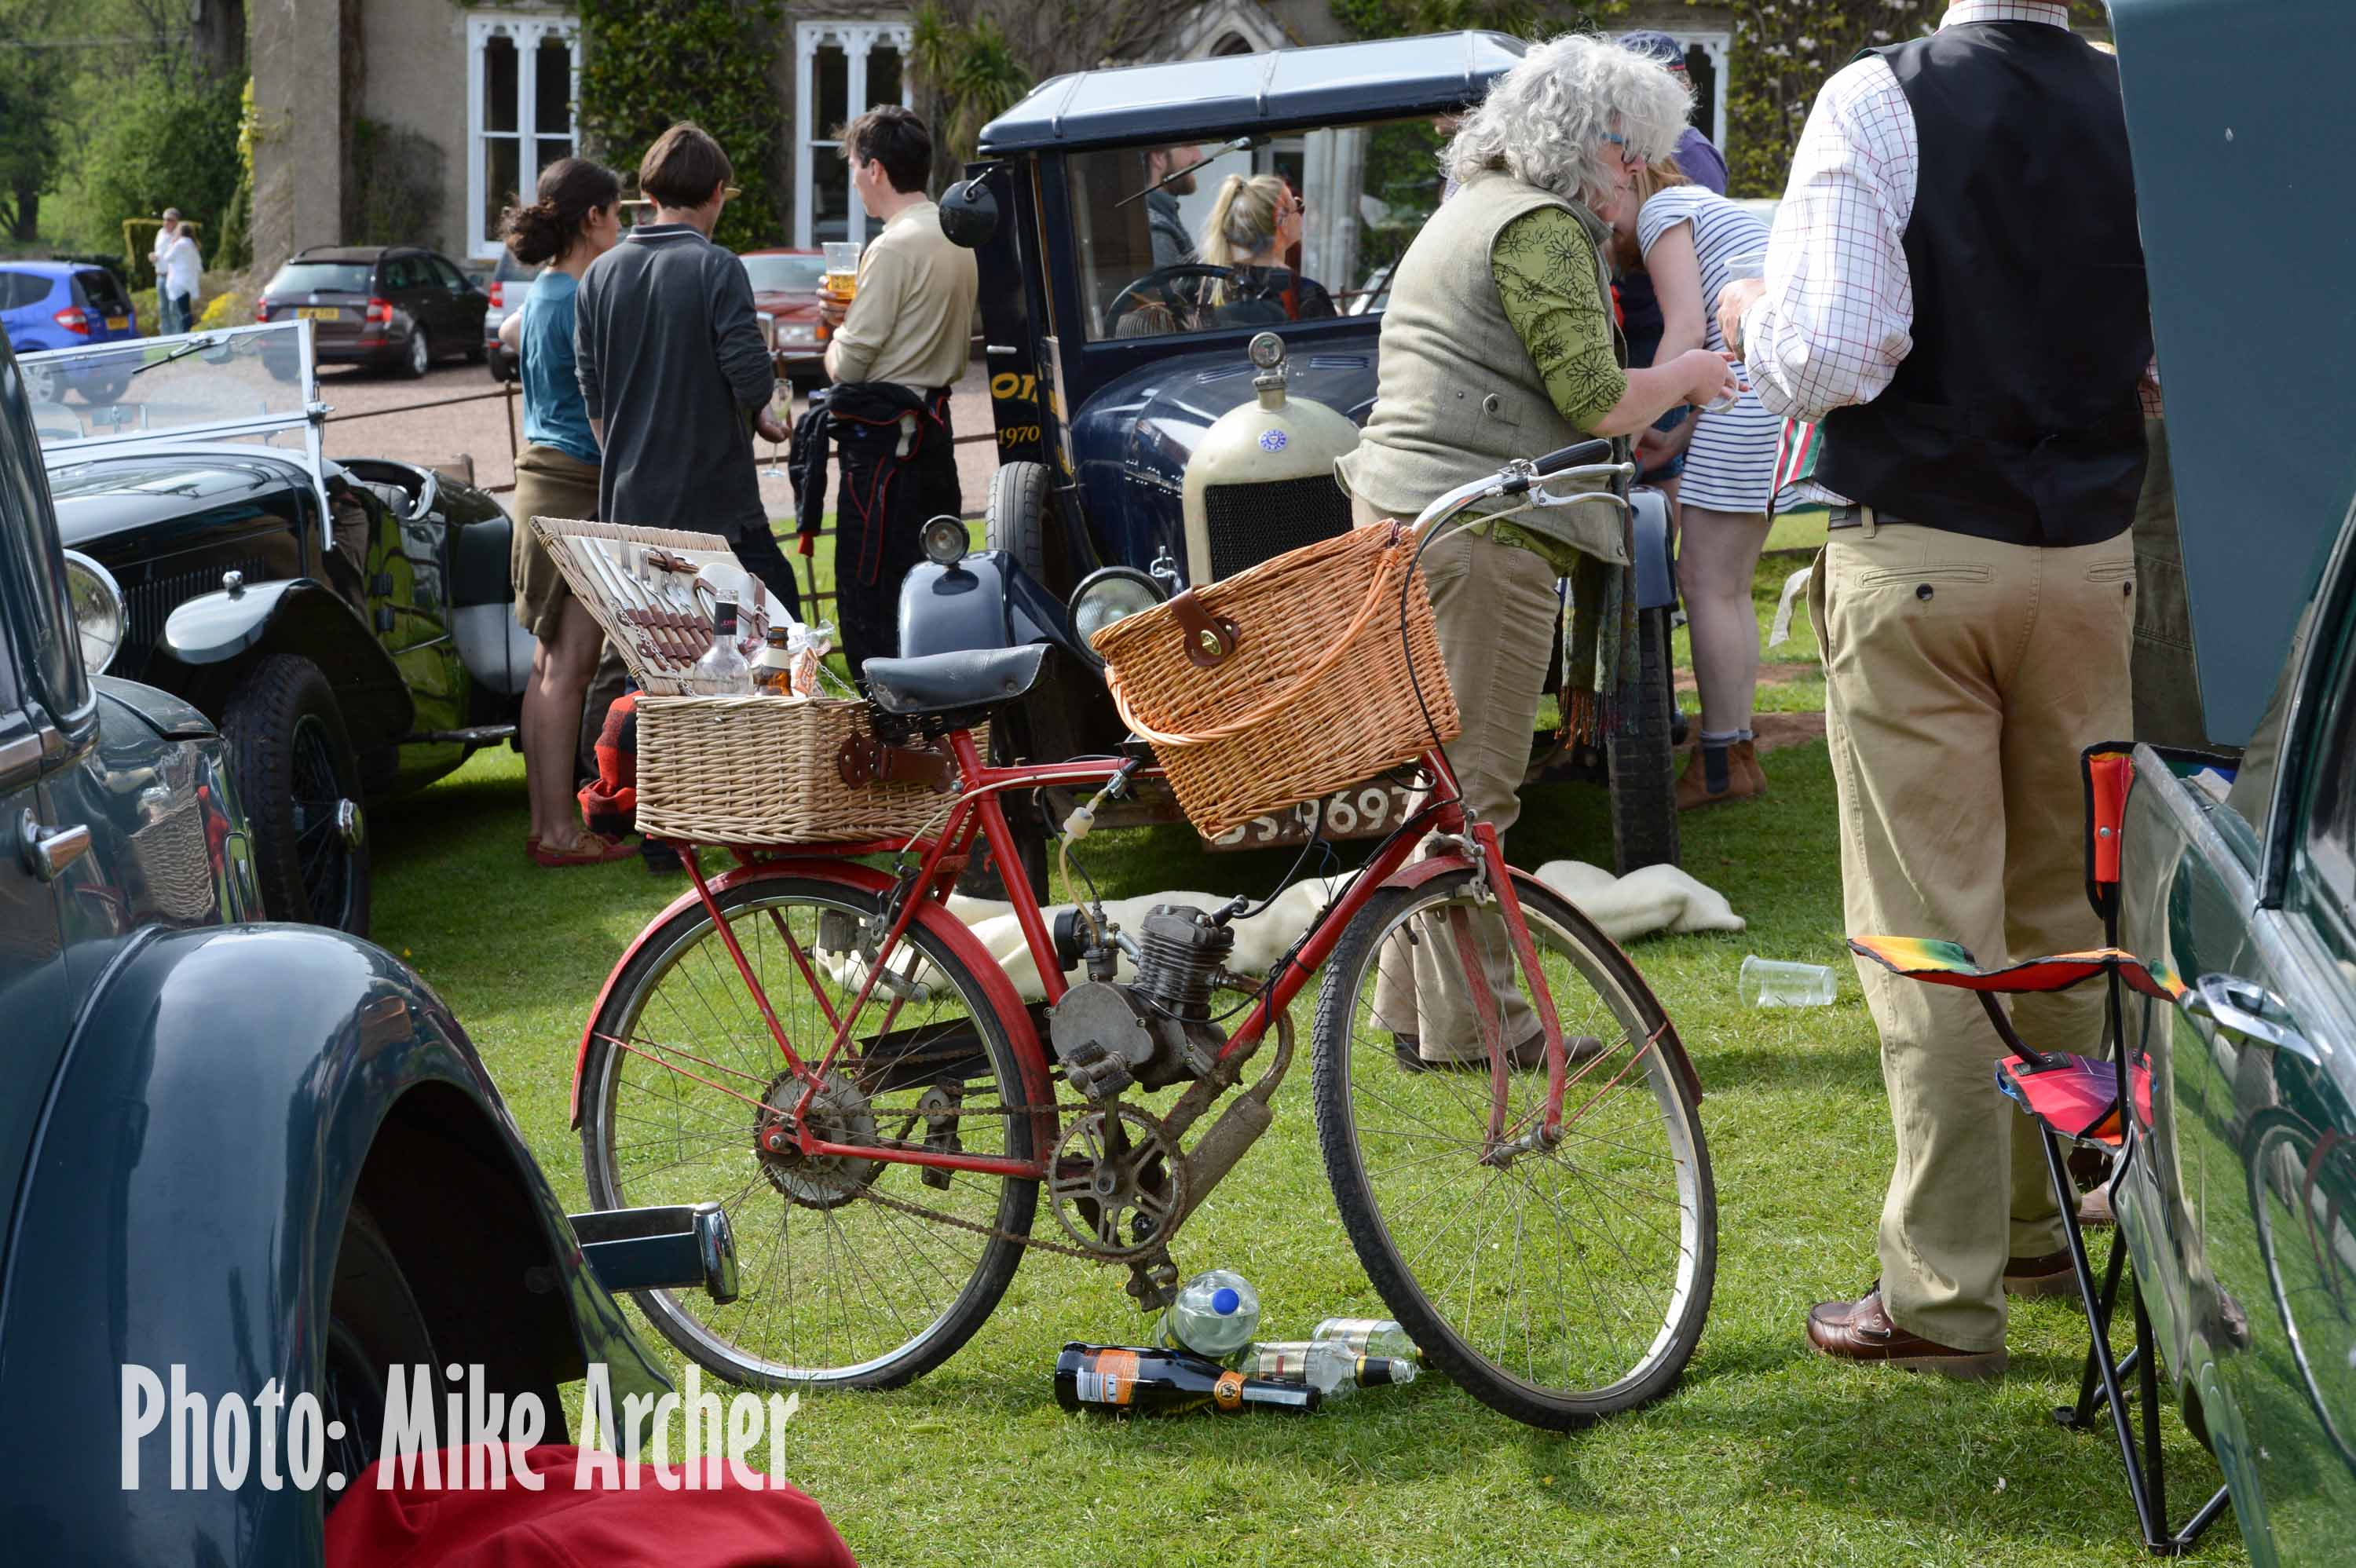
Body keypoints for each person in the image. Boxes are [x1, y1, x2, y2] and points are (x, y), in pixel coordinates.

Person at [1717, 1, 2149, 1376]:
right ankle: (2042, 1229)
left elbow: (1833, 353)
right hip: (2092, 560)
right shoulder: (2137, 98)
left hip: (1922, 557)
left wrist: (1745, 318)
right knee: (2064, 915)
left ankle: (1943, 1295)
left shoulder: (1878, 95)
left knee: (1931, 932)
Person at [1334, 34, 1737, 1071]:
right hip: (1480, 538)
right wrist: (1686, 374)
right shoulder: (1540, 226)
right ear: (1596, 144)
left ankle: (1414, 1015)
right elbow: (1600, 396)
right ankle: (1489, 1028)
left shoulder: (1471, 210)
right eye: (1636, 159)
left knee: (1439, 786)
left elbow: (1583, 403)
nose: (1637, 186)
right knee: (1477, 794)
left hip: (1412, 523)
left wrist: (1651, 395)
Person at [574, 122, 797, 618]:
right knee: (779, 634)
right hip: (716, 509)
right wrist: (760, 412)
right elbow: (753, 380)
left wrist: (634, 452)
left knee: (655, 650)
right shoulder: (716, 267)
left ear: (648, 194)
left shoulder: (598, 275)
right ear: (718, 193)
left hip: (630, 506)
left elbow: (592, 395)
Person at [1608, 159, 1776, 808]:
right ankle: (1736, 752)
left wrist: (1626, 424)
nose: (1606, 224)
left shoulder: (1659, 210)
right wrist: (1675, 434)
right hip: (1764, 396)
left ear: (1631, 181)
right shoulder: (1706, 206)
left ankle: (1717, 764)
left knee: (1704, 581)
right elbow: (1711, 337)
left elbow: (1683, 330)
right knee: (1728, 587)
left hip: (1747, 398)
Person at [495, 157, 635, 868]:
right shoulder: (575, 297)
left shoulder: (542, 294)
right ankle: (557, 834)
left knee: (549, 665)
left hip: (542, 485)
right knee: (567, 666)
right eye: (617, 214)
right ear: (592, 220)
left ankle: (548, 826)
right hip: (569, 486)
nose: (623, 226)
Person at [814, 104, 979, 679]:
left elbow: (850, 364)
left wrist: (835, 331)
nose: (853, 179)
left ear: (876, 169)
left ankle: (890, 750)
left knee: (871, 602)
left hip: (884, 452)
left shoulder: (890, 247)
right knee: (931, 592)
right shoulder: (955, 232)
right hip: (935, 437)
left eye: (855, 167)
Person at [1613, 29, 1731, 499]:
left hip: (1667, 333)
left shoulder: (1684, 158)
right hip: (1653, 330)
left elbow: (1688, 320)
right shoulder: (1654, 153)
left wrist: (1629, 436)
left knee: (1652, 479)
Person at [1197, 174, 1336, 323]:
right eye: (1299, 207)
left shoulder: (1210, 289)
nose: (1302, 216)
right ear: (1282, 223)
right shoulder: (1307, 295)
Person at [1144, 144, 1205, 268]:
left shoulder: (1165, 215)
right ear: (1159, 158)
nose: (1199, 157)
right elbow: (1168, 286)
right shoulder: (1155, 229)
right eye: (1189, 146)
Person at [151, 210, 201, 334]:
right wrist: (153, 257)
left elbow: (173, 257)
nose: (166, 222)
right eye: (165, 219)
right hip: (160, 276)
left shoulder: (180, 237)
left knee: (176, 311)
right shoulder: (160, 233)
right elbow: (160, 254)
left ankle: (178, 338)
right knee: (163, 310)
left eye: (170, 220)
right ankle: (166, 339)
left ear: (177, 222)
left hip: (174, 279)